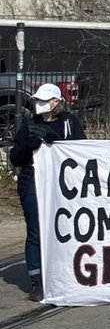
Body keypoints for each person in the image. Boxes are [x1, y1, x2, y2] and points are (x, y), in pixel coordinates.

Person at [9, 84, 86, 303]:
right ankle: (37, 281)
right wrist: (29, 146)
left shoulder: (70, 123)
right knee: (35, 230)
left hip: (63, 183)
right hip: (33, 181)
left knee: (65, 227)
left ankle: (66, 273)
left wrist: (60, 143)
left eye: (44, 100)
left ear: (55, 102)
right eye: (37, 100)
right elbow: (15, 158)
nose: (38, 104)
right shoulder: (30, 123)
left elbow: (83, 151)